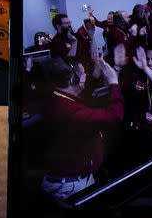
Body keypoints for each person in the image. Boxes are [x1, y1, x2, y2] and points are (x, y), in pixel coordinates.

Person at [41, 56, 123, 203]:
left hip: (72, 180)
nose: (86, 76)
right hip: (72, 186)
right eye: (84, 73)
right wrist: (114, 83)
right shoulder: (69, 112)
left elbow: (82, 96)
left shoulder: (58, 97)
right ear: (74, 80)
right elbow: (114, 116)